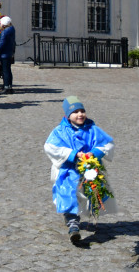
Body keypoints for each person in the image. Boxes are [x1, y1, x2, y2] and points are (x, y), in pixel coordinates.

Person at [44, 96, 115, 243]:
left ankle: (80, 217)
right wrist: (73, 154)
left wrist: (94, 153)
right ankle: (73, 224)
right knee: (68, 193)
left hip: (89, 171)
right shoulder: (60, 131)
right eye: (75, 112)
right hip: (68, 170)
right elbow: (51, 147)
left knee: (87, 195)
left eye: (82, 111)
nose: (80, 114)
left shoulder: (93, 129)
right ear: (67, 115)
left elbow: (107, 144)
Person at [0, 15, 16, 94]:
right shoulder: (12, 29)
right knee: (8, 70)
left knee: (5, 71)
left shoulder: (5, 32)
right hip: (9, 52)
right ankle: (9, 86)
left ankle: (6, 87)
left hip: (4, 53)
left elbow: (1, 43)